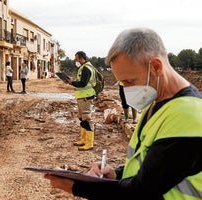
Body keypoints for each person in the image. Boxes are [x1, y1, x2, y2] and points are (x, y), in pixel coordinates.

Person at [44, 28, 202, 199]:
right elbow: (150, 166)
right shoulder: (158, 104)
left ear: (156, 67)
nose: (126, 89)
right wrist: (117, 173)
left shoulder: (187, 116)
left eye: (129, 81)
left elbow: (141, 191)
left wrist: (76, 186)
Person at [67, 51, 96, 151]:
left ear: (81, 58)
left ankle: (89, 143)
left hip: (86, 97)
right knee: (81, 118)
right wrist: (73, 81)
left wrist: (72, 83)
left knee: (87, 119)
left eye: (76, 59)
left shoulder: (86, 68)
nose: (76, 61)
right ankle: (83, 139)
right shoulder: (84, 67)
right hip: (82, 97)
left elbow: (83, 83)